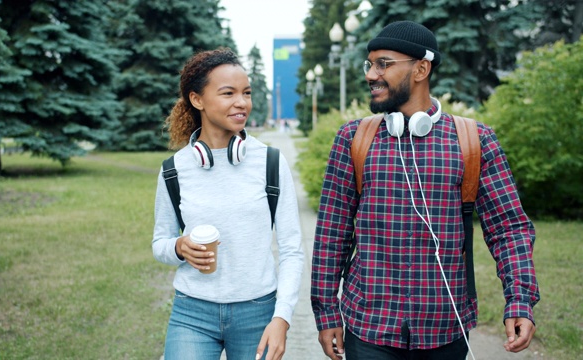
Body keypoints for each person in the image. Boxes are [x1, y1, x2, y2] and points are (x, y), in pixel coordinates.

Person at [310, 21, 540, 360]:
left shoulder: (473, 142)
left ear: (421, 68)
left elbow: (509, 230)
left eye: (383, 64)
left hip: (445, 329)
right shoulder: (354, 139)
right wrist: (327, 312)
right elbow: (332, 234)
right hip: (369, 327)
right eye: (369, 64)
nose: (371, 74)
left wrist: (519, 299)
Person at [152, 47, 304, 360]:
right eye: (227, 93)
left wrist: (282, 318)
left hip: (258, 313)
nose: (241, 102)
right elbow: (160, 243)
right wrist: (179, 247)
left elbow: (291, 249)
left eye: (246, 92)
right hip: (191, 313)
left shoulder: (270, 163)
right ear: (197, 100)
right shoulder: (173, 170)